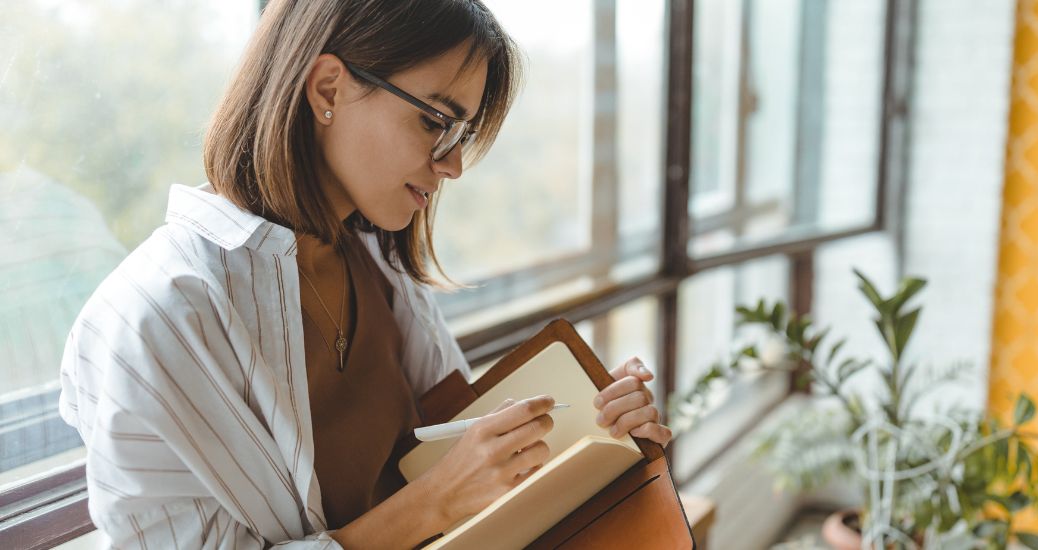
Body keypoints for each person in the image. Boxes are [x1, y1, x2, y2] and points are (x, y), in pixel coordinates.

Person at [57, 1, 671, 548]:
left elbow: (453, 451)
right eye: (436, 121)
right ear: (328, 88)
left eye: (463, 133)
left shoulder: (378, 263)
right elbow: (439, 492)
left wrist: (591, 429)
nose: (454, 164)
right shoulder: (152, 320)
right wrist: (430, 506)